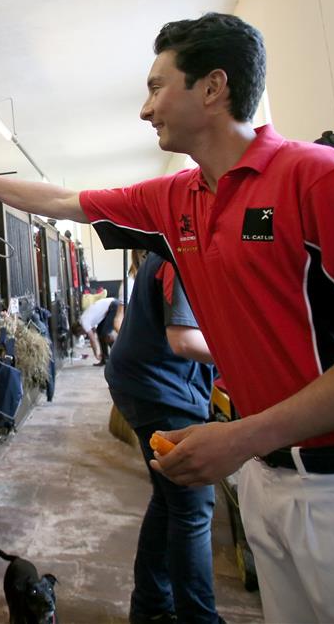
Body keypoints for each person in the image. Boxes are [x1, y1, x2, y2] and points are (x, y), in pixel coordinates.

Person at [0, 12, 334, 622]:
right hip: (270, 480)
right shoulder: (177, 198)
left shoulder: (321, 178)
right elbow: (63, 200)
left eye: (158, 86)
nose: (145, 108)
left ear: (212, 88)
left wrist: (240, 435)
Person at [108, 250, 218, 624]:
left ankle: (151, 607)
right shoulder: (183, 252)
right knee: (193, 507)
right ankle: (197, 618)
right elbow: (184, 340)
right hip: (161, 389)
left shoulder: (168, 251)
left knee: (171, 500)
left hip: (146, 384)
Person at [73, 296, 125, 364]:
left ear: (79, 329)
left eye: (82, 334)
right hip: (110, 306)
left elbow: (92, 340)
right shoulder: (86, 320)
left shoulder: (84, 321)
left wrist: (96, 354)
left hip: (113, 306)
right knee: (100, 333)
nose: (84, 335)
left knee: (105, 334)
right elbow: (94, 334)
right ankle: (105, 359)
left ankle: (119, 356)